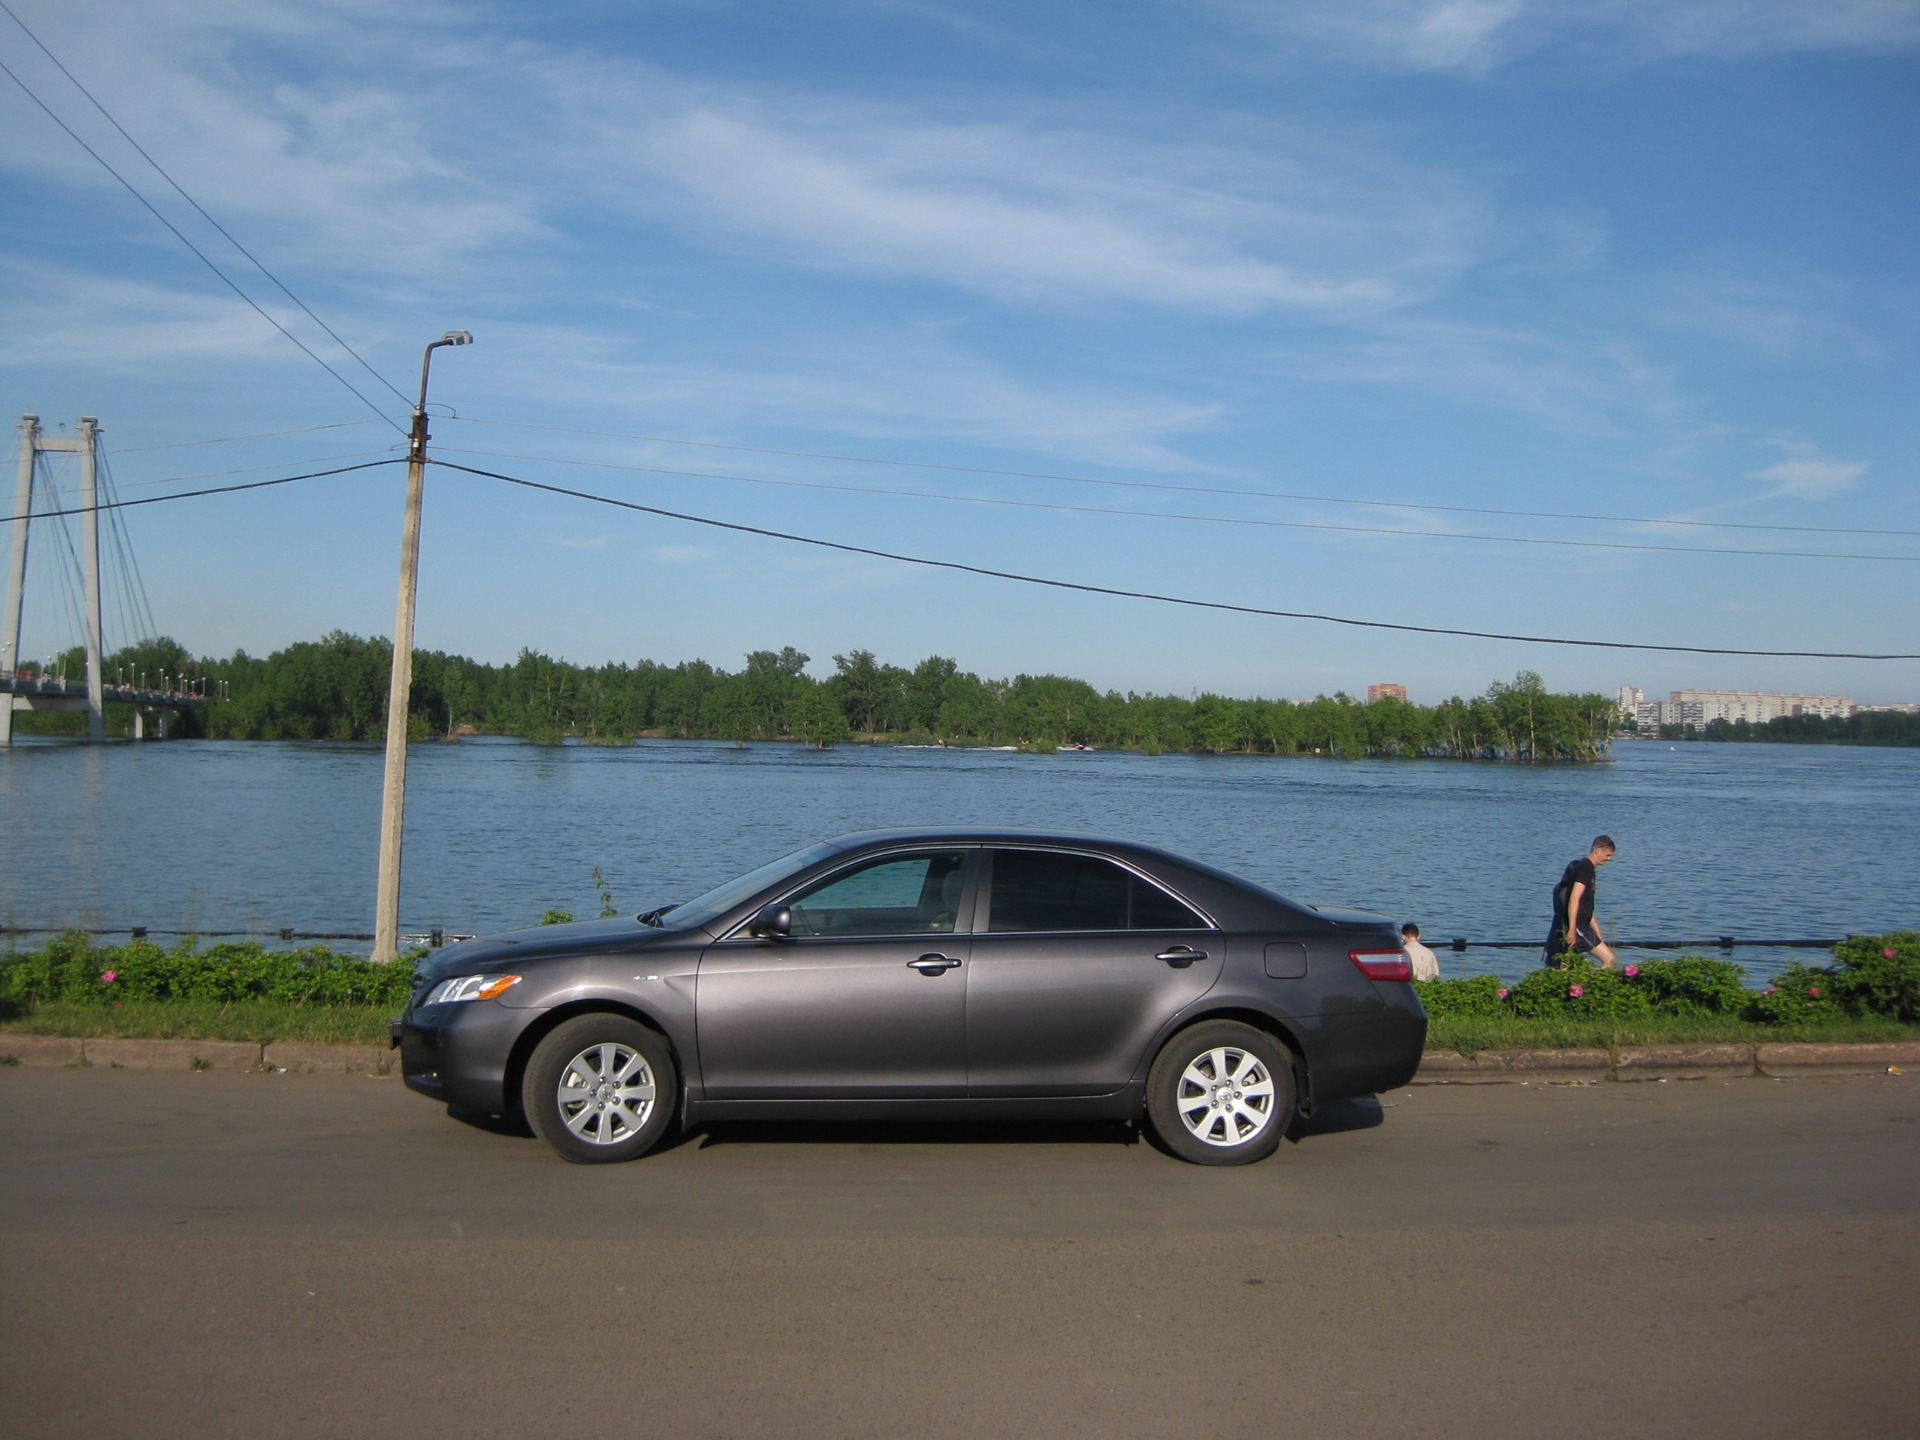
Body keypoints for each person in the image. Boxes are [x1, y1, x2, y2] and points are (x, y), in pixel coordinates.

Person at [1546, 835, 1618, 968]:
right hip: (1578, 926)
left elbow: (1588, 908)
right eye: (1607, 855)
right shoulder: (1585, 868)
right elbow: (1574, 898)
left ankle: (1575, 987)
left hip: (1582, 925)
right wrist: (1572, 929)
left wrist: (1598, 935)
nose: (1609, 859)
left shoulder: (1588, 869)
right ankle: (1591, 986)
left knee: (1566, 968)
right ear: (1597, 850)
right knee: (1610, 959)